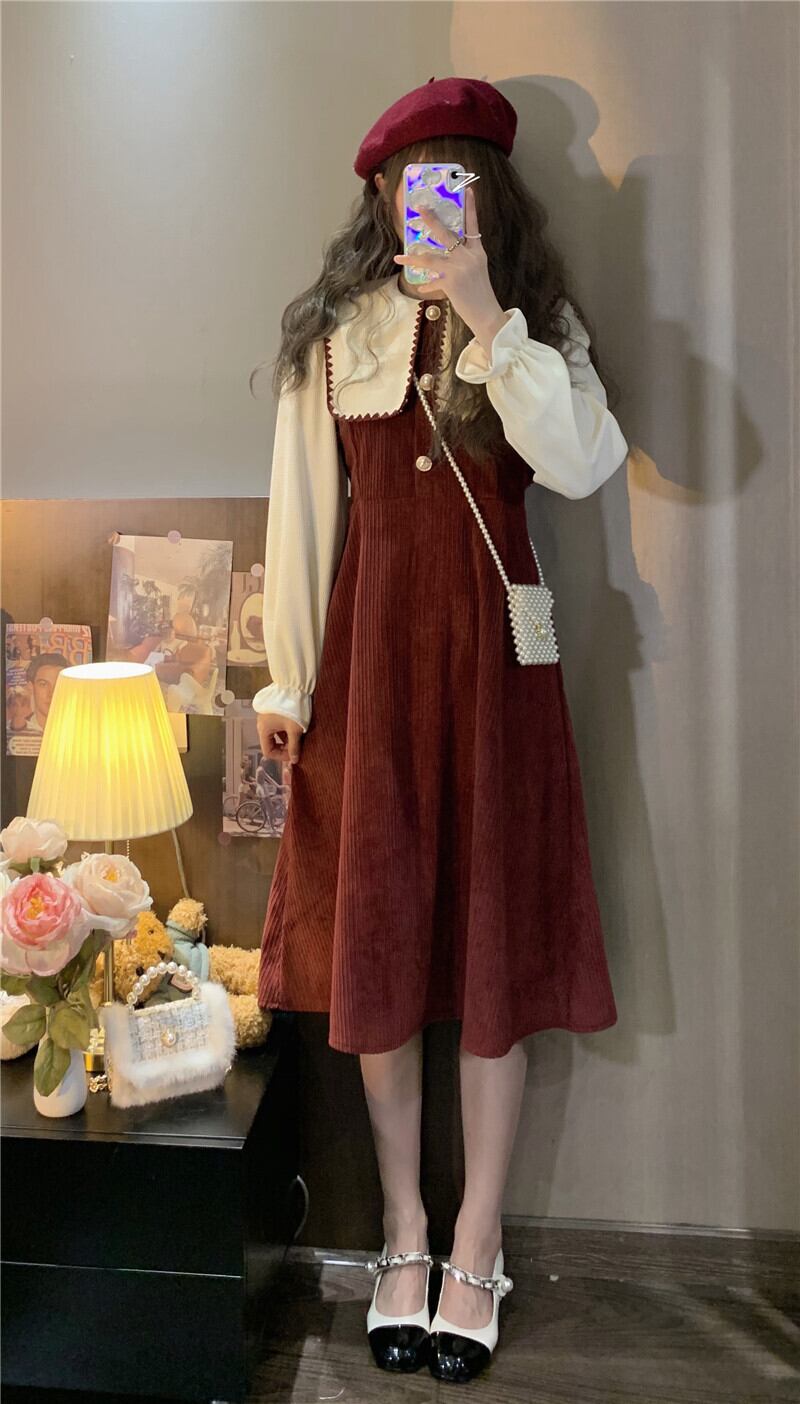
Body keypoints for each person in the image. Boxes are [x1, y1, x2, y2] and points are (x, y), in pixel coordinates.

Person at [251, 76, 629, 1382]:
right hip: (372, 675)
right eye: (415, 182)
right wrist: (288, 687)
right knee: (381, 958)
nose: (433, 201)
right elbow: (303, 513)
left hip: (500, 677)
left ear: (487, 192)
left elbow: (581, 461)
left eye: (455, 178)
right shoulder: (336, 334)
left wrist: (485, 315)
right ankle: (403, 1233)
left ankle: (478, 1240)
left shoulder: (529, 326)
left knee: (491, 954)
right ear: (381, 195)